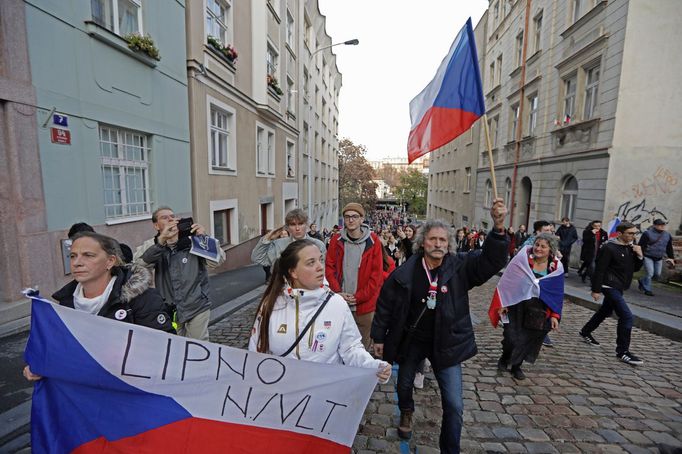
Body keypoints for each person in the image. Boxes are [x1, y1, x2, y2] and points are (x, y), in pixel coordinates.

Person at [371, 198, 509, 452]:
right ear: (422, 242)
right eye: (433, 239)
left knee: (455, 405)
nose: (438, 244)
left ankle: (450, 449)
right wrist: (378, 337)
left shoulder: (461, 267)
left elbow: (492, 260)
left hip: (446, 343)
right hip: (411, 341)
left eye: (443, 240)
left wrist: (499, 226)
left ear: (449, 245)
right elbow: (385, 306)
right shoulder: (403, 274)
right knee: (403, 387)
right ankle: (407, 411)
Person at [23, 232, 174, 381]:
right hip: (87, 396)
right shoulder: (65, 304)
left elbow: (166, 350)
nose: (77, 262)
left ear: (110, 261)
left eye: (88, 255)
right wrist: (40, 366)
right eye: (73, 256)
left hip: (127, 392)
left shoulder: (142, 298)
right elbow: (58, 350)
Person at [248, 239, 391, 383]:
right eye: (311, 263)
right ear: (293, 272)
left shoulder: (337, 304)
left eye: (320, 260)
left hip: (324, 394)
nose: (320, 267)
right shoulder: (271, 304)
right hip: (282, 394)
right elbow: (257, 351)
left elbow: (350, 349)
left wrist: (373, 366)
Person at [134, 206, 225, 341]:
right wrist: (161, 242)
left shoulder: (193, 241)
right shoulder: (152, 245)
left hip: (197, 305)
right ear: (156, 225)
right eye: (164, 217)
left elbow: (217, 261)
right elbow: (138, 267)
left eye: (172, 216)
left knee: (198, 345)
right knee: (175, 344)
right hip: (169, 308)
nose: (171, 219)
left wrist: (203, 237)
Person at [492, 233, 563, 380]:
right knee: (511, 336)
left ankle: (517, 366)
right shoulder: (522, 261)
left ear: (550, 250)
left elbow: (556, 293)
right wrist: (503, 302)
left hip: (539, 309)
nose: (538, 248)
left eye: (543, 246)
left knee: (527, 339)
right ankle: (505, 357)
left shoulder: (555, 268)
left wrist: (555, 315)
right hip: (516, 305)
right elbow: (508, 282)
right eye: (537, 245)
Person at [579, 222, 645, 366]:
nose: (634, 236)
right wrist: (596, 289)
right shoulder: (609, 247)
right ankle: (623, 352)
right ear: (620, 234)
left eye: (635, 233)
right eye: (630, 233)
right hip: (608, 285)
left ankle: (585, 331)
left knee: (605, 311)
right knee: (627, 316)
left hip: (620, 285)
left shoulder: (630, 247)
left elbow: (634, 268)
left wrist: (640, 256)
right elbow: (600, 269)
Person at [326, 203, 384, 349]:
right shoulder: (336, 240)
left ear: (361, 219)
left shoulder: (373, 241)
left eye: (355, 216)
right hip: (340, 302)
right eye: (347, 217)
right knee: (339, 345)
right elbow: (329, 267)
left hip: (364, 305)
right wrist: (338, 293)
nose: (351, 220)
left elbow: (376, 275)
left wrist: (359, 297)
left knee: (361, 347)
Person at [252, 209, 326, 279]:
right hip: (282, 288)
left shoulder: (318, 245)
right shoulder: (278, 244)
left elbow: (322, 270)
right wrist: (268, 238)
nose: (297, 228)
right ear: (287, 227)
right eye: (293, 224)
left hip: (309, 289)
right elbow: (257, 258)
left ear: (306, 225)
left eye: (300, 224)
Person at [637, 219, 676, 296]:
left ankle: (642, 281)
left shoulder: (667, 235)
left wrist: (671, 257)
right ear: (654, 225)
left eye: (663, 225)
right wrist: (640, 256)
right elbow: (641, 245)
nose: (662, 226)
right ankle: (647, 290)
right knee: (650, 273)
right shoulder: (647, 234)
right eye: (660, 225)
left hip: (659, 257)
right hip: (648, 256)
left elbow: (669, 247)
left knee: (657, 274)